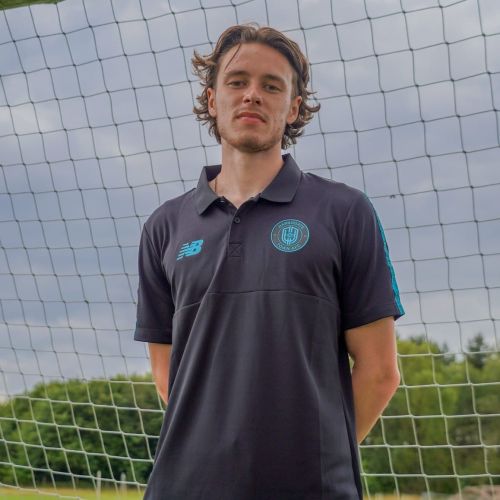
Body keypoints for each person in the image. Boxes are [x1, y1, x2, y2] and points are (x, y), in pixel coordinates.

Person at [134, 23, 405, 499]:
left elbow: (380, 371)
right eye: (237, 82)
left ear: (294, 107)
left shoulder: (344, 211)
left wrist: (311, 461)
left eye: (272, 86)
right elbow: (167, 372)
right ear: (213, 99)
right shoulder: (164, 227)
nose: (252, 95)